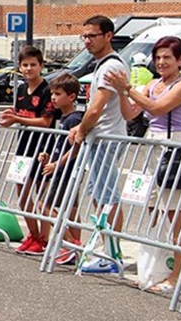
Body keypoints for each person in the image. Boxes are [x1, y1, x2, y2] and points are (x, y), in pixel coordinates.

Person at [108, 35, 181, 293]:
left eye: (167, 57)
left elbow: (157, 109)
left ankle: (180, 275)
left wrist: (128, 89)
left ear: (180, 60)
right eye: (157, 57)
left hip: (175, 148)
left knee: (175, 212)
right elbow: (131, 113)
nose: (161, 62)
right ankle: (157, 268)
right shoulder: (153, 83)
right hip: (152, 146)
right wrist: (122, 93)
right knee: (152, 209)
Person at [66, 15, 128, 274]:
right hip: (100, 137)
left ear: (108, 36)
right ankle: (108, 250)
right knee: (100, 195)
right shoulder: (102, 65)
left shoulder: (111, 66)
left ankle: (113, 254)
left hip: (106, 137)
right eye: (85, 36)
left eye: (93, 36)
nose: (88, 41)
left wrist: (81, 129)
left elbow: (96, 108)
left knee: (108, 197)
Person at [0, 45, 58, 256]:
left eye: (33, 64)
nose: (29, 68)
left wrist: (16, 119)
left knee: (42, 196)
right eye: (25, 65)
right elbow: (20, 114)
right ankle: (32, 234)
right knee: (22, 193)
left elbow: (45, 121)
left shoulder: (47, 90)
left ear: (41, 66)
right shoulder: (22, 89)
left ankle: (44, 238)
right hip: (24, 146)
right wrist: (10, 117)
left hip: (43, 147)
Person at [35, 72, 84, 266]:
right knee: (71, 209)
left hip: (66, 170)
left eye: (58, 94)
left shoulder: (73, 119)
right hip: (61, 167)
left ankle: (71, 242)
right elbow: (60, 144)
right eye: (52, 94)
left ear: (71, 97)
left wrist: (57, 163)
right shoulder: (63, 117)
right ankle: (74, 245)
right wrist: (48, 156)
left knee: (44, 204)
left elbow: (75, 146)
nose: (53, 98)